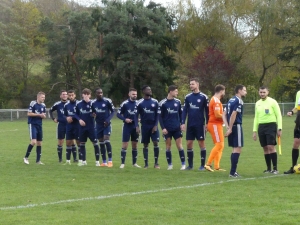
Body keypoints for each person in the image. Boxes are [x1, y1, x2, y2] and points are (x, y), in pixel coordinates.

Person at [252, 86, 282, 174]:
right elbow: (256, 118)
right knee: (265, 147)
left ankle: (275, 168)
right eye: (260, 92)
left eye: (264, 92)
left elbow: (279, 115)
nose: (262, 94)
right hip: (261, 127)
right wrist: (254, 131)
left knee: (271, 146)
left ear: (267, 92)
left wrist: (279, 128)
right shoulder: (257, 103)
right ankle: (268, 168)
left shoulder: (273, 102)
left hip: (271, 126)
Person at [182, 78, 209, 170]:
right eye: (190, 84)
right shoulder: (188, 97)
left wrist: (207, 123)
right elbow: (185, 110)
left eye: (192, 84)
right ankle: (190, 165)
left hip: (200, 124)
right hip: (190, 124)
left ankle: (202, 165)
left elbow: (207, 111)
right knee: (189, 143)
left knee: (201, 143)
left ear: (197, 84)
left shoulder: (204, 97)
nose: (191, 86)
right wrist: (182, 122)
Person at [158, 85, 186, 170]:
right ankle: (170, 165)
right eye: (176, 91)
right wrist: (163, 128)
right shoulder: (162, 103)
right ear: (171, 91)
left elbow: (181, 114)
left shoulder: (177, 102)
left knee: (179, 145)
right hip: (167, 129)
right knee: (168, 146)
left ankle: (183, 164)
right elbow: (160, 117)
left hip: (177, 128)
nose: (177, 93)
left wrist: (182, 123)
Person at [223, 85, 247, 178]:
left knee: (234, 149)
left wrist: (227, 126)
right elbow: (234, 114)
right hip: (236, 126)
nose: (246, 92)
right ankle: (232, 172)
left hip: (231, 126)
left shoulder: (230, 100)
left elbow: (223, 114)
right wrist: (230, 128)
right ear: (239, 91)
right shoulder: (238, 100)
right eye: (244, 90)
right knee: (238, 148)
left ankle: (233, 171)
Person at [134, 85, 160, 169]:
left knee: (155, 142)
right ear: (143, 91)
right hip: (144, 126)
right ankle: (146, 164)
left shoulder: (155, 102)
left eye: (150, 89)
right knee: (145, 144)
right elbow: (135, 115)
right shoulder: (139, 103)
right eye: (148, 90)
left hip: (153, 125)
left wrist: (156, 125)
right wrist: (137, 126)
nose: (150, 91)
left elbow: (157, 115)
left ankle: (156, 163)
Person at [74, 88, 100, 166]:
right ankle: (83, 161)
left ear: (90, 95)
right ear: (82, 95)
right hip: (82, 127)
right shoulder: (78, 104)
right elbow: (75, 114)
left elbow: (95, 112)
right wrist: (79, 120)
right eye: (84, 94)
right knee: (82, 143)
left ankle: (97, 161)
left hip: (91, 126)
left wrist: (93, 114)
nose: (86, 95)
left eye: (87, 94)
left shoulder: (93, 103)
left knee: (95, 143)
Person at [117, 88, 141, 168]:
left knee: (135, 144)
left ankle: (134, 163)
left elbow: (143, 114)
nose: (135, 96)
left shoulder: (138, 103)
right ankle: (122, 163)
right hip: (127, 126)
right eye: (133, 94)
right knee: (125, 144)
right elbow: (118, 114)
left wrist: (139, 119)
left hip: (136, 126)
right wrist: (125, 119)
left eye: (136, 94)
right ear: (129, 94)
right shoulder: (125, 104)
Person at [204, 84, 226, 172]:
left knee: (221, 145)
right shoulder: (216, 101)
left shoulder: (216, 100)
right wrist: (225, 117)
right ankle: (208, 164)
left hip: (217, 125)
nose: (224, 93)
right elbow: (217, 115)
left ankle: (217, 166)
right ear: (221, 91)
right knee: (219, 144)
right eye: (224, 91)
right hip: (214, 125)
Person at [91, 88, 115, 167]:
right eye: (98, 93)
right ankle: (104, 162)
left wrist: (108, 120)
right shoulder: (93, 103)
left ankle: (110, 161)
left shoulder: (107, 101)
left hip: (106, 124)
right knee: (101, 142)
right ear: (96, 94)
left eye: (101, 93)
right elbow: (92, 112)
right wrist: (93, 114)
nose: (100, 94)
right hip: (98, 125)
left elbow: (113, 111)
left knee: (106, 140)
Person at [23, 92, 46, 165]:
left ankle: (38, 161)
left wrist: (43, 116)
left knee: (39, 143)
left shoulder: (43, 105)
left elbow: (44, 115)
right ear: (38, 97)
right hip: (32, 124)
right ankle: (26, 157)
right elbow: (29, 113)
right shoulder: (33, 103)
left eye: (44, 97)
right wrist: (39, 114)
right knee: (33, 142)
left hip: (39, 125)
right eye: (42, 97)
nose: (43, 98)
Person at [49, 90, 68, 163]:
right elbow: (50, 110)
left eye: (66, 94)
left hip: (70, 125)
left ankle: (75, 158)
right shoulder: (57, 104)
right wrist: (53, 118)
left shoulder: (70, 104)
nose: (65, 95)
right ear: (60, 96)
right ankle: (60, 159)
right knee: (60, 141)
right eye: (63, 94)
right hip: (61, 124)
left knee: (71, 141)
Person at [284, 91, 300, 174]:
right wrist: (292, 112)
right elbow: (297, 107)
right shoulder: (298, 93)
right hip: (299, 121)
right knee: (296, 143)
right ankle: (293, 167)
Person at [63, 90, 80, 164]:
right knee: (68, 142)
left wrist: (73, 118)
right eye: (69, 95)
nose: (71, 97)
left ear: (75, 95)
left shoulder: (79, 104)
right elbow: (64, 114)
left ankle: (81, 160)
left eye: (72, 95)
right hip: (69, 126)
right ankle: (68, 161)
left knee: (79, 142)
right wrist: (66, 118)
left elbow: (81, 114)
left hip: (77, 126)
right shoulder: (66, 105)